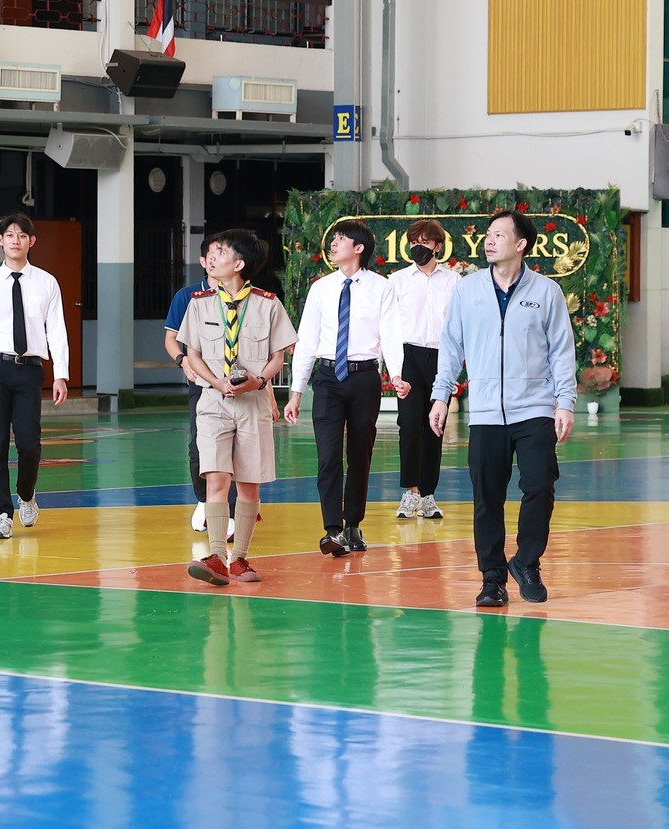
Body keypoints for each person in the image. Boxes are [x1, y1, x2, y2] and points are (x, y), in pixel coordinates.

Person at [428, 209, 577, 608]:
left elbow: (562, 351)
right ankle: (492, 578)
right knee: (487, 498)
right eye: (488, 234)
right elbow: (451, 347)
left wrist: (565, 402)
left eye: (499, 235)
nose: (489, 241)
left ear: (521, 244)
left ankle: (527, 562)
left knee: (540, 486)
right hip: (486, 414)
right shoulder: (467, 290)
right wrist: (441, 395)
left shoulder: (547, 292)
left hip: (535, 409)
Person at [178, 229, 298, 586]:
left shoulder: (268, 304)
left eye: (221, 252)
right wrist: (215, 383)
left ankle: (240, 558)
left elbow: (278, 356)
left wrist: (258, 381)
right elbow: (192, 354)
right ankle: (216, 555)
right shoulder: (199, 303)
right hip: (213, 401)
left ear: (239, 264)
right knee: (216, 477)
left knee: (248, 485)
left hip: (252, 402)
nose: (212, 257)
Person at [285, 219, 399, 557]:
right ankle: (332, 529)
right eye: (333, 238)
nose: (333, 244)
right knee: (328, 455)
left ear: (358, 248)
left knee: (360, 454)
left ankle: (353, 524)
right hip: (327, 377)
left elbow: (391, 335)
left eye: (341, 238)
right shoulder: (321, 288)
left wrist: (397, 375)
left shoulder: (382, 287)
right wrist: (296, 392)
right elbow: (306, 340)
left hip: (365, 378)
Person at [0, 213, 70, 540]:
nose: (15, 240)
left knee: (29, 444)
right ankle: (1, 515)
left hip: (29, 370)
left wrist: (61, 374)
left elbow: (57, 331)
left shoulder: (47, 283)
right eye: (9, 235)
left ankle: (26, 494)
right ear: (0, 240)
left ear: (31, 241)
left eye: (22, 235)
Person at [386, 218, 460, 519]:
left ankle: (429, 494)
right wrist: (393, 369)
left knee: (435, 426)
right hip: (409, 356)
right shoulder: (397, 281)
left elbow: (460, 324)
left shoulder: (454, 281)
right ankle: (410, 491)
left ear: (437, 246)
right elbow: (388, 327)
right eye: (414, 242)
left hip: (442, 357)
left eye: (425, 242)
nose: (419, 247)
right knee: (408, 424)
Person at [163, 239, 214, 533]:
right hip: (201, 382)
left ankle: (233, 510)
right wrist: (182, 361)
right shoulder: (188, 296)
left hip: (238, 383)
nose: (215, 260)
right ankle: (203, 500)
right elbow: (171, 339)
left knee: (238, 448)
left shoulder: (246, 297)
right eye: (211, 255)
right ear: (203, 261)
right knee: (198, 445)